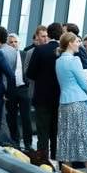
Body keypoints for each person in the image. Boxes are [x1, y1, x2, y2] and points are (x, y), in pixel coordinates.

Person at [56, 32, 87, 167]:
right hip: (78, 102)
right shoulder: (74, 60)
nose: (79, 44)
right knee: (86, 138)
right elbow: (85, 85)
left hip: (64, 103)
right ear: (70, 43)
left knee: (66, 140)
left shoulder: (58, 61)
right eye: (76, 41)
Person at [26, 22, 63, 159]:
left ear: (49, 33)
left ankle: (42, 159)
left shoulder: (40, 50)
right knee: (56, 131)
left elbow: (30, 74)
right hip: (60, 97)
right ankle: (55, 156)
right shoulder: (65, 51)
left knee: (42, 131)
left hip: (42, 96)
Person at [0, 27, 32, 150]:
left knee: (26, 117)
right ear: (7, 43)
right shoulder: (4, 54)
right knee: (12, 118)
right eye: (11, 42)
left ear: (19, 43)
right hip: (11, 90)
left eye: (16, 42)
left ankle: (28, 144)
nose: (14, 44)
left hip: (24, 88)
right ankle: (15, 143)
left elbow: (29, 71)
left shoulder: (24, 54)